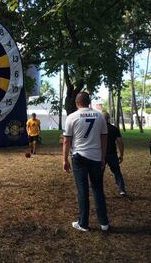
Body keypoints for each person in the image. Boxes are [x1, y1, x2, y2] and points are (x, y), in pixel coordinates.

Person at [62, 92, 109, 232]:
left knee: (82, 191)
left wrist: (64, 159)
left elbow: (66, 140)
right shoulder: (100, 115)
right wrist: (103, 156)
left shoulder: (72, 117)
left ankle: (83, 223)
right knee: (98, 189)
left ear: (76, 103)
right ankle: (104, 223)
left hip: (79, 157)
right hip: (96, 156)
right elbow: (104, 138)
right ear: (89, 102)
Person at [102, 112, 127, 196]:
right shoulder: (114, 129)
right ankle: (122, 189)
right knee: (117, 172)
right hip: (112, 153)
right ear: (108, 118)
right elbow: (120, 142)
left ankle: (98, 190)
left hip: (101, 154)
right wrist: (121, 154)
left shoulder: (98, 129)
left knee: (98, 173)